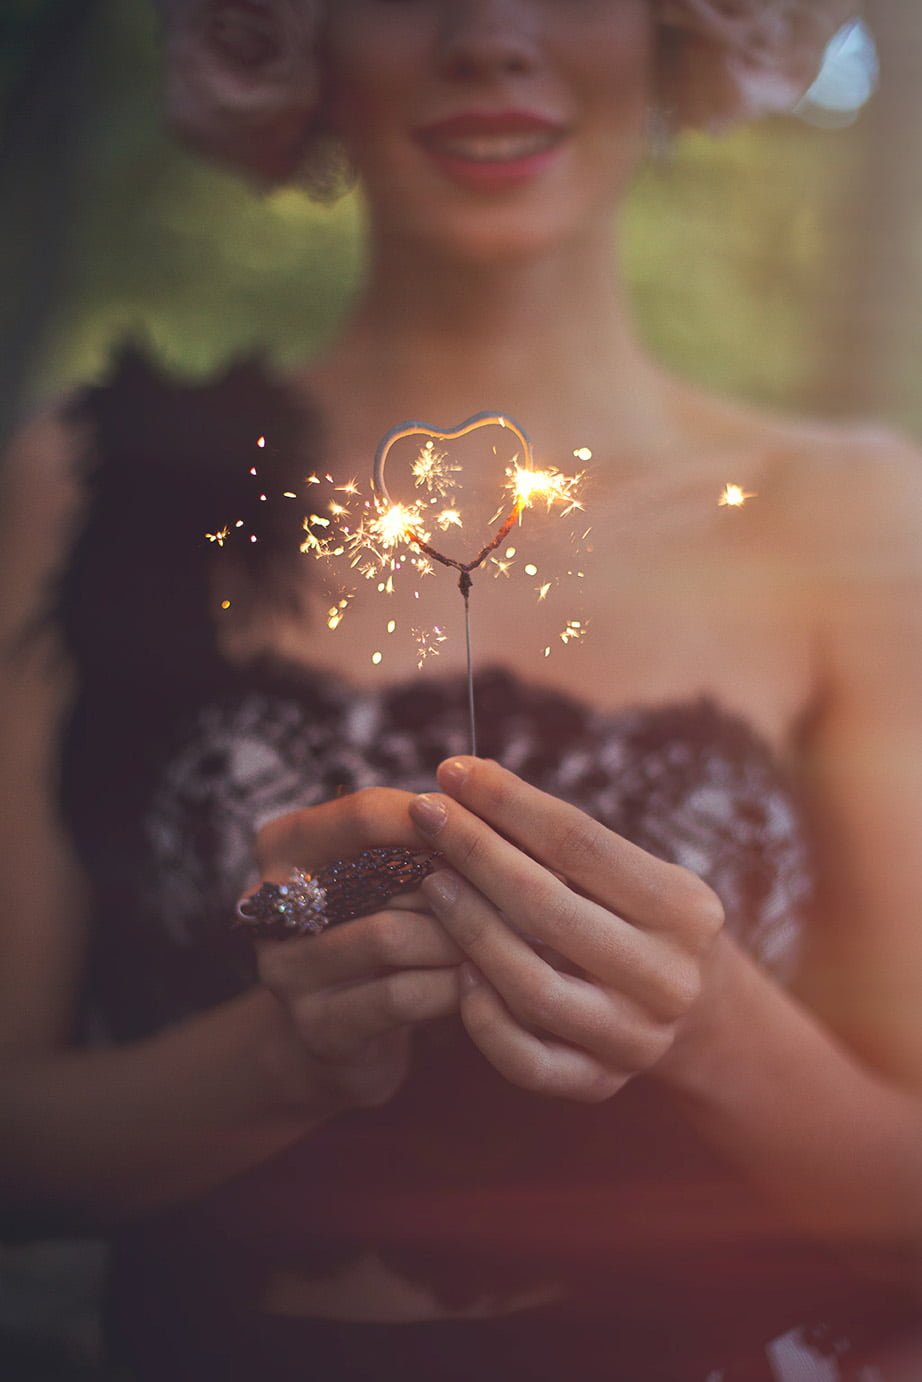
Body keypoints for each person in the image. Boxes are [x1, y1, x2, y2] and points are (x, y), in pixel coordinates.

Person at [2, 1, 922, 1377]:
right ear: (285, 38)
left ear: (687, 25)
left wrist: (711, 1023)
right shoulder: (82, 493)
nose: (489, 34)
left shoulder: (852, 512)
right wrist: (280, 1061)